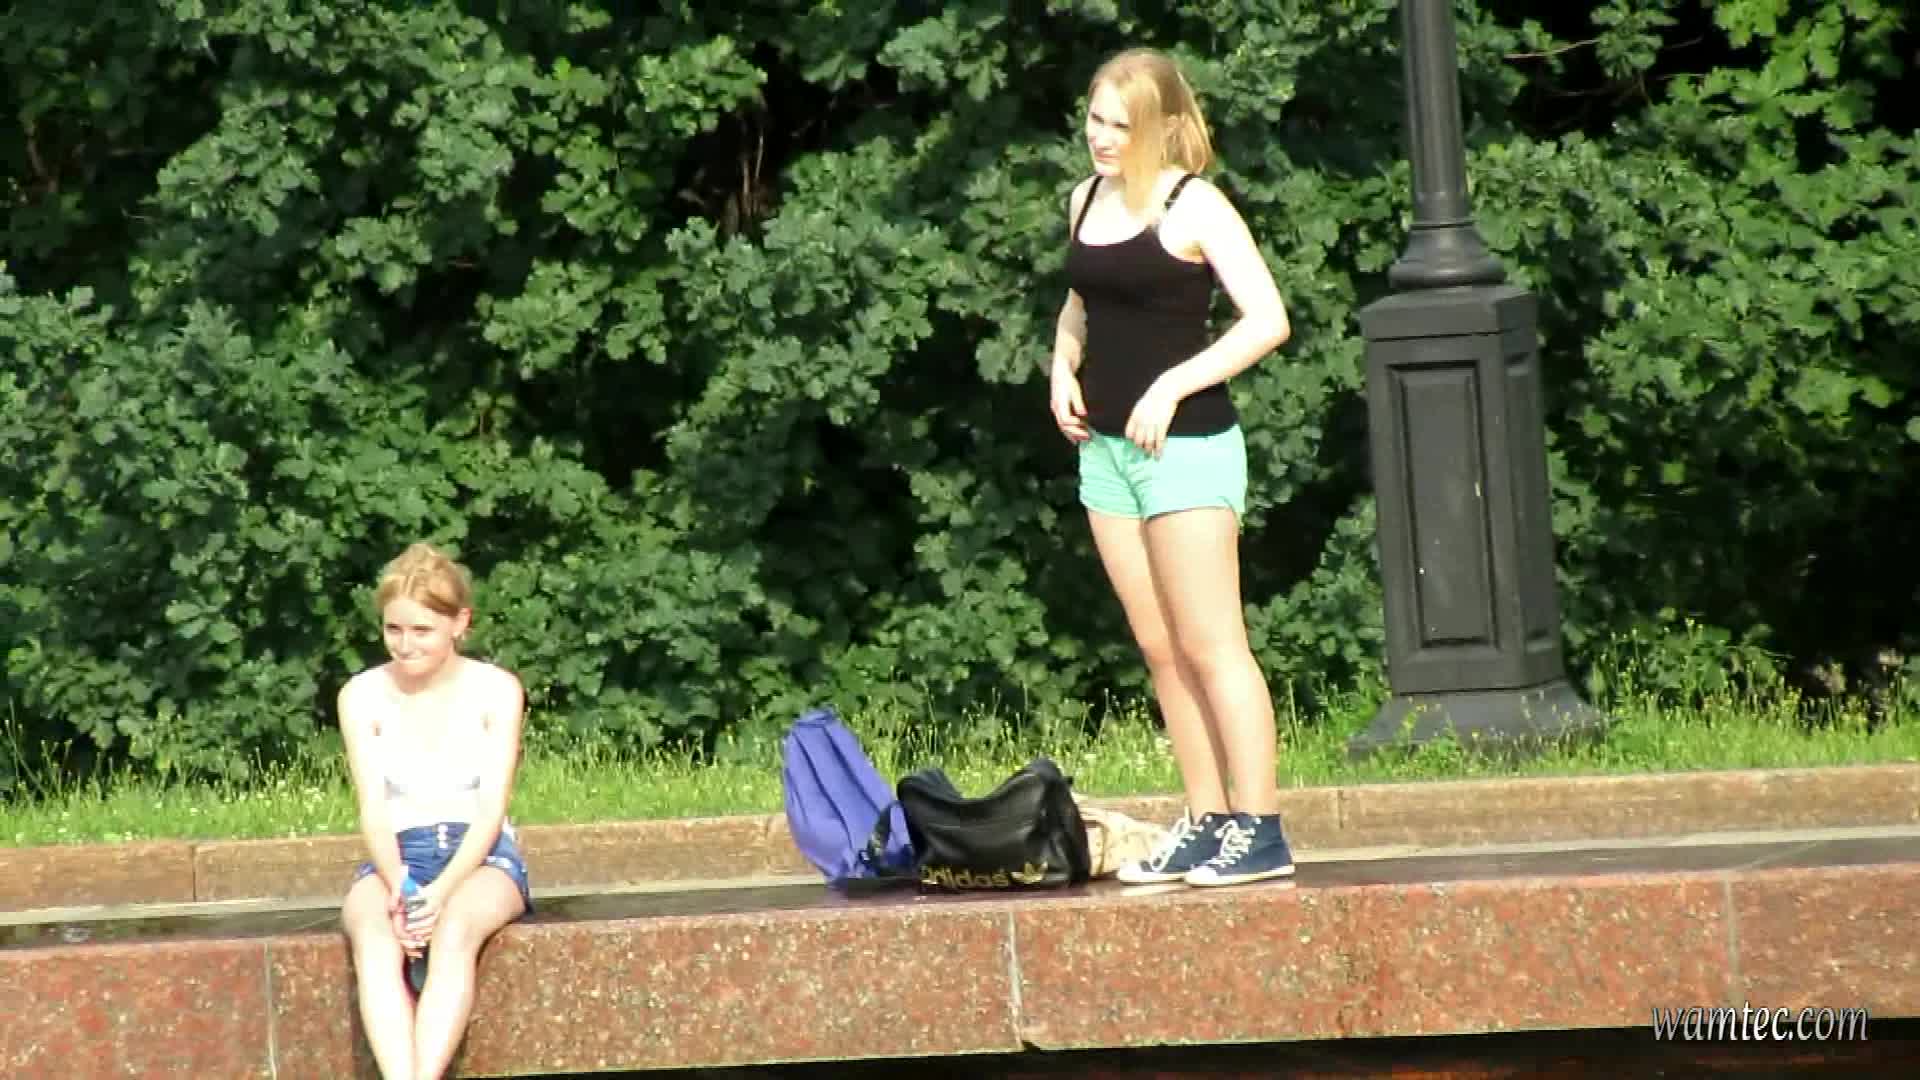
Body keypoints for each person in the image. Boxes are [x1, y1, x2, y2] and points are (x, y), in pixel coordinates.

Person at [1049, 47, 1296, 887]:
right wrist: (1061, 367)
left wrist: (1173, 384)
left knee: (1211, 644)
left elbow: (1267, 320)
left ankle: (1259, 831)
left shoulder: (1195, 205)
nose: (1102, 137)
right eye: (1095, 119)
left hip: (1185, 449)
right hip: (1107, 454)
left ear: (1160, 125)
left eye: (1121, 125)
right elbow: (1080, 303)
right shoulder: (1086, 199)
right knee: (1161, 649)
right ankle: (1208, 820)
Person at [338, 543, 532, 1079]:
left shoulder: (496, 690)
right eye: (393, 629)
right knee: (373, 937)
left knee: (455, 931)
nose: (405, 645)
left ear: (459, 623)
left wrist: (440, 893)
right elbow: (373, 808)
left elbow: (491, 809)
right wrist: (400, 885)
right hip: (395, 855)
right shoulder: (361, 695)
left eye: (421, 630)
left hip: (479, 855)